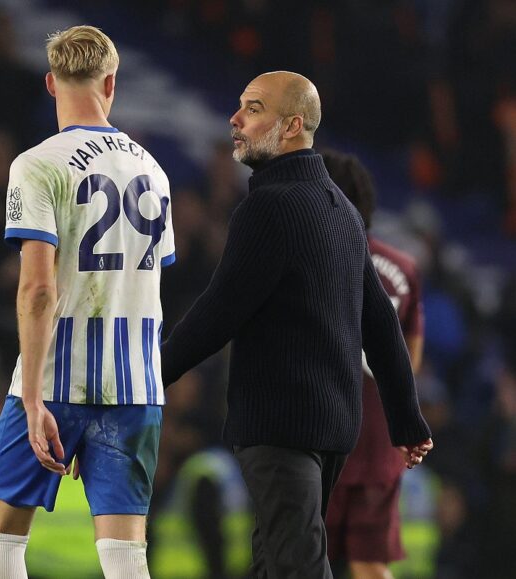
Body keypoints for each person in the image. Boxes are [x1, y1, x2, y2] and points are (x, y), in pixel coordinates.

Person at [159, 71, 433, 578]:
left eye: (254, 109)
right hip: (333, 425)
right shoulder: (344, 212)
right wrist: (406, 418)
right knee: (274, 562)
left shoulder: (268, 207)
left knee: (296, 565)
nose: (235, 119)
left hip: (280, 422)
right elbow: (381, 324)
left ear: (291, 126)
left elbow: (221, 310)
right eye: (240, 105)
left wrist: (153, 375)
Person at [0, 25, 175, 579]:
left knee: (0, 536)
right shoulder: (154, 171)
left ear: (50, 83)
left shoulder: (36, 165)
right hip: (136, 384)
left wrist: (35, 397)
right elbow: (151, 281)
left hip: (58, 378)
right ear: (110, 83)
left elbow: (39, 288)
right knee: (125, 555)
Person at [321, 150, 425, 579]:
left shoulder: (314, 261)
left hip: (322, 437)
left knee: (303, 559)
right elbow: (411, 357)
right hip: (381, 442)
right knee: (371, 564)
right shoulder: (404, 267)